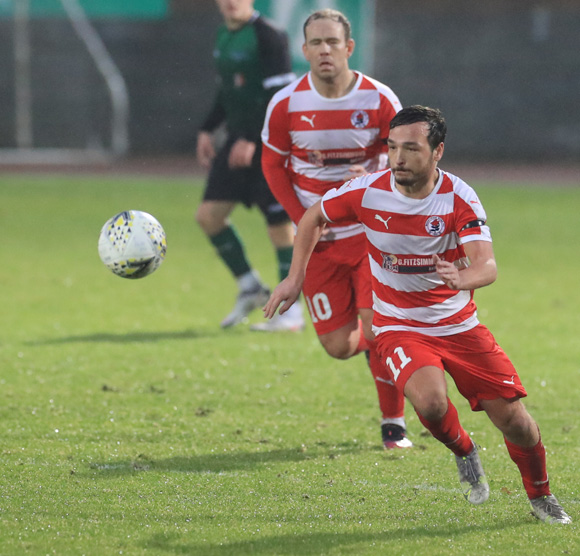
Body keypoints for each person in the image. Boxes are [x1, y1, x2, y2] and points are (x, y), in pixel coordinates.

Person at [265, 105, 572, 524]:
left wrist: (463, 278)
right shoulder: (367, 191)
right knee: (430, 403)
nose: (398, 158)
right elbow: (314, 217)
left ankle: (541, 495)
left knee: (514, 420)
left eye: (411, 148)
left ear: (437, 151)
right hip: (398, 324)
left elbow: (487, 265)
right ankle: (465, 450)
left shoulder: (459, 197)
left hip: (458, 325)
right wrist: (294, 277)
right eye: (392, 147)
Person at [260, 9, 410, 448]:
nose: (324, 50)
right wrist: (300, 217)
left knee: (377, 329)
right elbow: (272, 165)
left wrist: (386, 191)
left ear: (349, 47)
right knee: (340, 346)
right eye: (316, 43)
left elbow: (406, 160)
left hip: (371, 239)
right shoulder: (286, 104)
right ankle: (376, 346)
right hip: (319, 245)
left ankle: (394, 425)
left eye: (332, 42)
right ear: (304, 50)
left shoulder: (380, 99)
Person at [196, 0, 304, 332]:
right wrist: (207, 127)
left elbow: (280, 95)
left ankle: (292, 312)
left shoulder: (269, 36)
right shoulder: (224, 35)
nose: (231, 2)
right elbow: (227, 90)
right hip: (237, 141)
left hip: (269, 143)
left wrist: (252, 138)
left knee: (279, 225)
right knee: (209, 216)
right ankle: (250, 287)